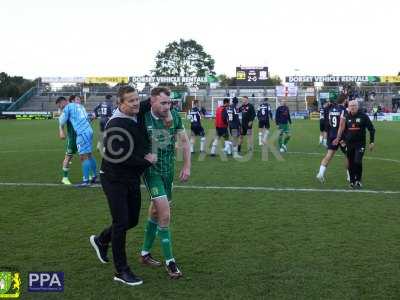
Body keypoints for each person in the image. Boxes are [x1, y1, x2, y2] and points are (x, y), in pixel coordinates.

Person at [89, 86, 157, 286]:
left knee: (132, 220)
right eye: (131, 101)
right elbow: (119, 158)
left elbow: (152, 102)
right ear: (121, 104)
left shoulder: (136, 109)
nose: (136, 103)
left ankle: (101, 240)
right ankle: (121, 271)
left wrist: (167, 106)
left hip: (130, 177)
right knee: (121, 223)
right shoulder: (116, 125)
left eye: (137, 99)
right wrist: (147, 161)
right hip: (113, 178)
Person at [139, 87, 191, 279]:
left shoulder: (174, 115)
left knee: (155, 211)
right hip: (151, 171)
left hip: (168, 170)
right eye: (163, 102)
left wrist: (187, 166)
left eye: (169, 103)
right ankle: (170, 262)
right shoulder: (142, 116)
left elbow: (185, 142)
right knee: (165, 214)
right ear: (152, 101)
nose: (166, 106)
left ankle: (144, 253)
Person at [334, 100, 375, 188]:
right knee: (350, 162)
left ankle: (358, 180)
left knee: (357, 161)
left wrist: (371, 142)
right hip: (349, 144)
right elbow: (343, 129)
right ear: (348, 107)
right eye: (351, 106)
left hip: (360, 144)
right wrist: (340, 139)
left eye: (354, 105)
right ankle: (352, 181)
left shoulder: (363, 116)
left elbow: (372, 129)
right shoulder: (346, 116)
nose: (352, 107)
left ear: (357, 106)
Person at [57, 96, 97, 186]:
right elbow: (87, 119)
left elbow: (61, 120)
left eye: (59, 105)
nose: (60, 107)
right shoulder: (81, 107)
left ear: (63, 102)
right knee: (89, 155)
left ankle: (86, 181)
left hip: (81, 134)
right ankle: (94, 176)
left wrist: (61, 130)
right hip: (87, 132)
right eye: (77, 99)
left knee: (83, 157)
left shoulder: (68, 108)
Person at [316, 94, 348, 183]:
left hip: (331, 135)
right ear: (345, 100)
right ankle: (350, 176)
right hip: (341, 136)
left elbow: (329, 122)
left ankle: (320, 173)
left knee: (329, 155)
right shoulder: (343, 110)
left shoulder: (331, 110)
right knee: (348, 155)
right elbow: (343, 125)